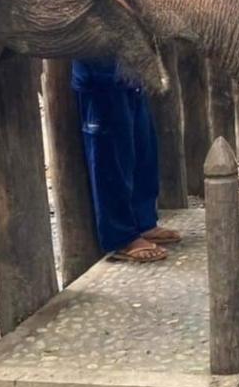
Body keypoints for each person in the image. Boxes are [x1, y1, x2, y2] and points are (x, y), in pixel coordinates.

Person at [72, 57, 182, 263]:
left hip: (131, 75)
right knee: (111, 162)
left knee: (144, 152)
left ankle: (144, 221)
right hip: (100, 80)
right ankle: (122, 237)